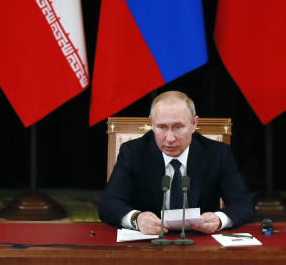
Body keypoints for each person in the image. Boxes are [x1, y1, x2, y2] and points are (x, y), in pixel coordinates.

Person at [99, 91, 255, 234]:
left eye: (178, 127)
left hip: (200, 244)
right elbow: (109, 203)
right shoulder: (133, 152)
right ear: (152, 124)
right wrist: (136, 219)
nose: (169, 138)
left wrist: (219, 219)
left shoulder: (217, 154)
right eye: (161, 127)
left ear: (194, 124)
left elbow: (244, 204)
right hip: (148, 245)